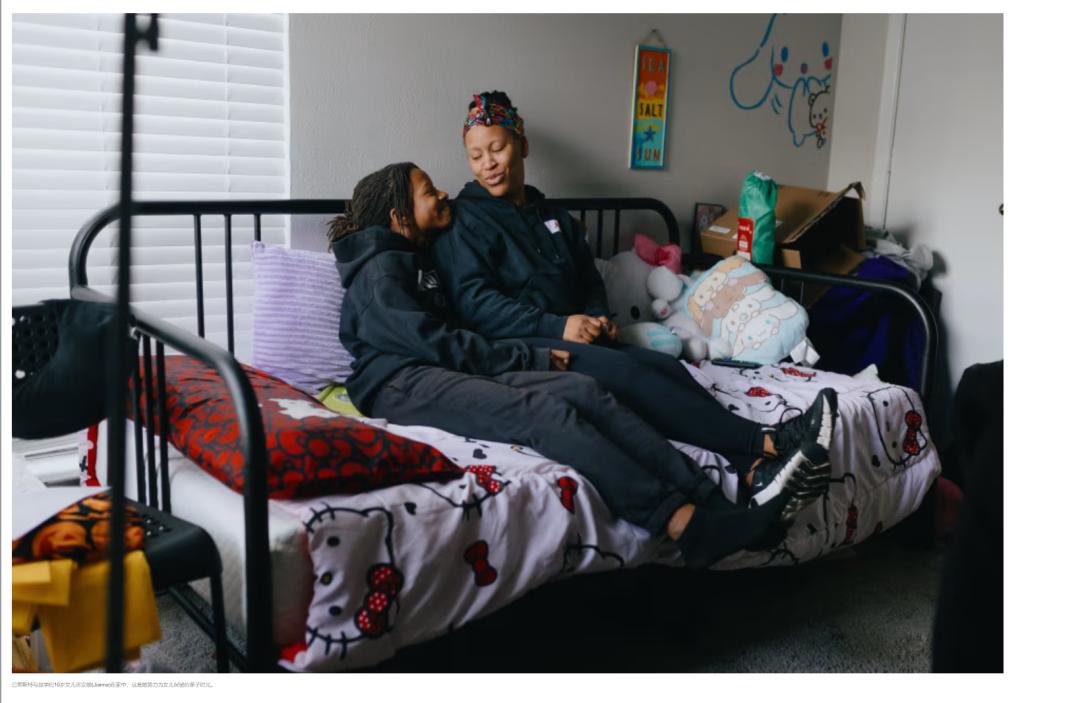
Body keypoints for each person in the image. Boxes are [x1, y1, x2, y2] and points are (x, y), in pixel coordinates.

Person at [328, 162, 836, 571]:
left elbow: (454, 338)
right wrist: (531, 354)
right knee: (543, 413)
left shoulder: (417, 255)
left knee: (587, 392)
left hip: (449, 364)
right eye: (428, 192)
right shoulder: (380, 270)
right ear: (398, 214)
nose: (442, 194)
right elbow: (432, 342)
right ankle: (683, 522)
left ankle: (719, 512)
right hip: (400, 380)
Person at [433, 91, 831, 487]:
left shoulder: (552, 216)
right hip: (522, 345)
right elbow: (474, 304)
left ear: (522, 145)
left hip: (575, 333)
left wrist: (598, 316)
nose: (487, 164)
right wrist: (558, 326)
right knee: (626, 373)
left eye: (497, 149)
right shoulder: (466, 220)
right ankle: (768, 441)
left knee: (665, 367)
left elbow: (588, 279)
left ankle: (752, 469)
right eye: (475, 156)